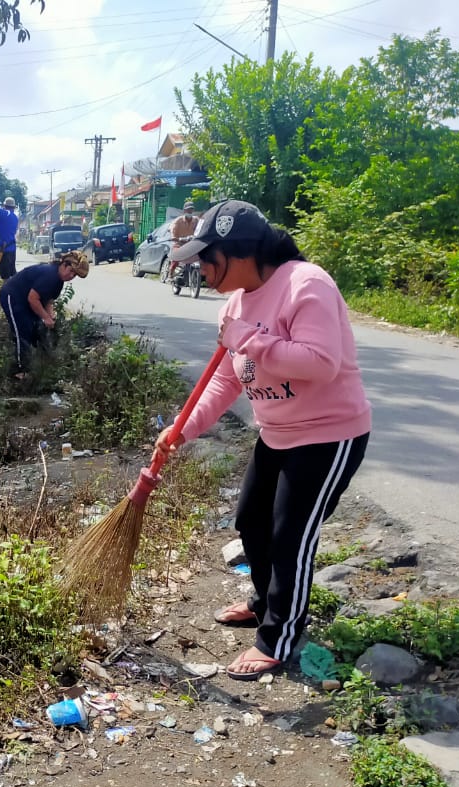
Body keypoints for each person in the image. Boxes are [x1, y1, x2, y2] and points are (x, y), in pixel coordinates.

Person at [156, 199, 371, 681]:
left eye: (208, 256)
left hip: (327, 436)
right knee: (250, 521)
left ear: (240, 251)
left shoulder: (305, 283)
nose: (201, 268)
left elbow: (319, 362)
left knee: (289, 536)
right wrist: (183, 427)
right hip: (276, 433)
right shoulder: (235, 304)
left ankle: (279, 636)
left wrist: (248, 337)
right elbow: (226, 381)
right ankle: (263, 600)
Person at [0, 249, 89, 378]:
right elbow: (33, 298)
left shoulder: (58, 282)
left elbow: (48, 301)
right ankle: (19, 371)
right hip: (13, 296)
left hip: (26, 301)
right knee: (22, 332)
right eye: (71, 271)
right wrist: (45, 317)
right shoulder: (50, 275)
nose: (71, 276)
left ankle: (38, 367)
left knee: (35, 330)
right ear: (64, 264)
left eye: (75, 275)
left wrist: (50, 316)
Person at [164, 200, 200, 283]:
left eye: (191, 209)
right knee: (176, 255)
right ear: (184, 211)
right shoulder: (178, 221)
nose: (190, 211)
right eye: (188, 210)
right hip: (179, 243)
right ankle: (171, 274)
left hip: (192, 244)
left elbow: (202, 228)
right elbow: (172, 228)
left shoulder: (196, 220)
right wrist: (174, 237)